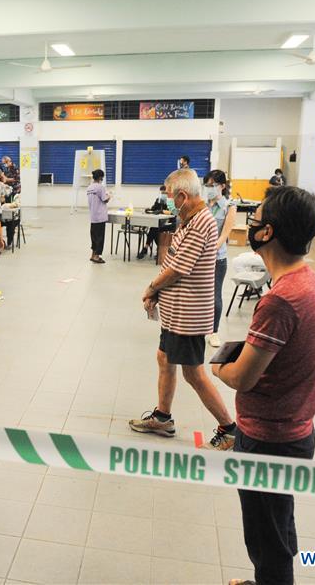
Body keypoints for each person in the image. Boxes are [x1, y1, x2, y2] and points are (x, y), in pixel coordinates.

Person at [212, 187, 315, 585]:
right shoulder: (307, 281)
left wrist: (220, 369)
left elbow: (243, 378)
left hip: (268, 438)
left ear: (268, 233)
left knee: (266, 537)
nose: (251, 221)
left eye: (257, 216)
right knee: (277, 527)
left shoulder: (281, 300)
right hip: (295, 430)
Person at [130, 168, 237, 451]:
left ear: (182, 196)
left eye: (170, 198)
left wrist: (152, 287)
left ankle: (229, 428)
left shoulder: (201, 222)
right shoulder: (188, 219)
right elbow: (173, 260)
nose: (168, 203)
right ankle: (163, 417)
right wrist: (158, 293)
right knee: (164, 358)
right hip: (175, 311)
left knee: (193, 373)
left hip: (188, 316)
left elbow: (179, 268)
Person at [205, 170, 237, 348]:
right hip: (199, 257)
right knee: (197, 295)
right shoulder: (202, 204)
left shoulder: (229, 206)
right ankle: (197, 327)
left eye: (212, 185)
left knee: (215, 296)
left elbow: (224, 235)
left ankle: (214, 332)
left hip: (217, 259)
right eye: (207, 185)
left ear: (222, 186)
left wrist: (211, 249)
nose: (209, 188)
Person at [137, 185, 169, 259]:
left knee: (153, 229)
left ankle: (146, 248)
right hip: (158, 221)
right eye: (161, 192)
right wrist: (149, 210)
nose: (162, 194)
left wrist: (162, 211)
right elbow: (153, 208)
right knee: (154, 228)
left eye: (164, 193)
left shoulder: (170, 201)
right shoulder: (158, 199)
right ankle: (157, 249)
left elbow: (171, 212)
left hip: (167, 221)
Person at [86, 169, 109, 264]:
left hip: (93, 216)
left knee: (94, 237)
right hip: (100, 216)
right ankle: (97, 256)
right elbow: (104, 199)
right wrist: (109, 196)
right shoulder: (100, 187)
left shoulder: (89, 187)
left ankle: (92, 254)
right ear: (100, 177)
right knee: (100, 237)